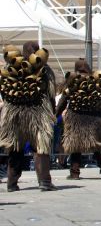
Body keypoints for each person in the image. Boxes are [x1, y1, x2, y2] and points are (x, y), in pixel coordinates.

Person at [0, 42, 57, 191]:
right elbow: (51, 93)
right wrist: (53, 110)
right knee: (41, 146)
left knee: (15, 146)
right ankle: (44, 181)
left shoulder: (10, 66)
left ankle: (11, 183)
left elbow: (4, 90)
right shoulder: (44, 68)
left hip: (13, 112)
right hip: (38, 111)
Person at [56, 59, 101, 180]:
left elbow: (63, 100)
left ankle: (74, 173)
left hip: (76, 118)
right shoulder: (97, 82)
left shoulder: (73, 80)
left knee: (75, 146)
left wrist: (56, 114)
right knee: (98, 146)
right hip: (95, 118)